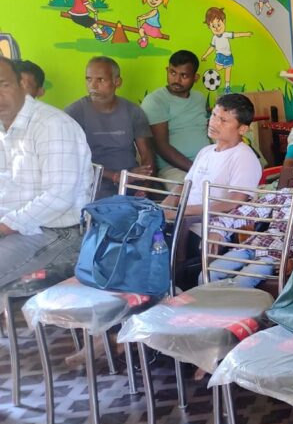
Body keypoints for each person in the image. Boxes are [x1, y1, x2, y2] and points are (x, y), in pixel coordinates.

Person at [0, 56, 93, 289]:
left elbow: (59, 196)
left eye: (4, 84)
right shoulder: (3, 125)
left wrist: (5, 226)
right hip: (16, 226)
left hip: (57, 232)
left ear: (21, 85)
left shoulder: (51, 124)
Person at [209, 150, 293, 286]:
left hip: (279, 256)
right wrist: (218, 228)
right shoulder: (283, 194)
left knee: (242, 281)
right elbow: (249, 211)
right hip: (255, 245)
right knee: (211, 273)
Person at [65, 57, 155, 197]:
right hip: (92, 185)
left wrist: (145, 187)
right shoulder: (74, 112)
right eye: (88, 79)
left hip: (130, 182)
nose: (93, 86)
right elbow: (70, 159)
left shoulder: (133, 111)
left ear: (117, 82)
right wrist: (115, 176)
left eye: (100, 80)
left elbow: (146, 153)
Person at [171, 93, 263, 222]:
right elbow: (184, 186)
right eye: (214, 115)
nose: (213, 123)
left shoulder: (244, 158)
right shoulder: (205, 152)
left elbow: (232, 204)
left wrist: (181, 212)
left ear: (242, 129)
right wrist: (162, 209)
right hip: (182, 220)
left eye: (223, 120)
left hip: (206, 227)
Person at [141, 50, 210, 181]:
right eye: (173, 73)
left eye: (184, 75)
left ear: (195, 78)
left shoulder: (199, 98)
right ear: (167, 70)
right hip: (173, 168)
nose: (177, 80)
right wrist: (195, 169)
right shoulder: (155, 101)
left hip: (206, 163)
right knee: (190, 190)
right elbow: (161, 146)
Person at [200, 6, 251, 91]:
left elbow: (236, 35)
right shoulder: (214, 38)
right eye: (213, 26)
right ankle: (217, 73)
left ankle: (227, 87)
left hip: (229, 56)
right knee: (218, 68)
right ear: (209, 27)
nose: (217, 28)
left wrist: (246, 34)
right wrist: (205, 55)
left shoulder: (226, 34)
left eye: (218, 24)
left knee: (228, 70)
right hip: (220, 56)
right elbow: (212, 47)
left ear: (224, 22)